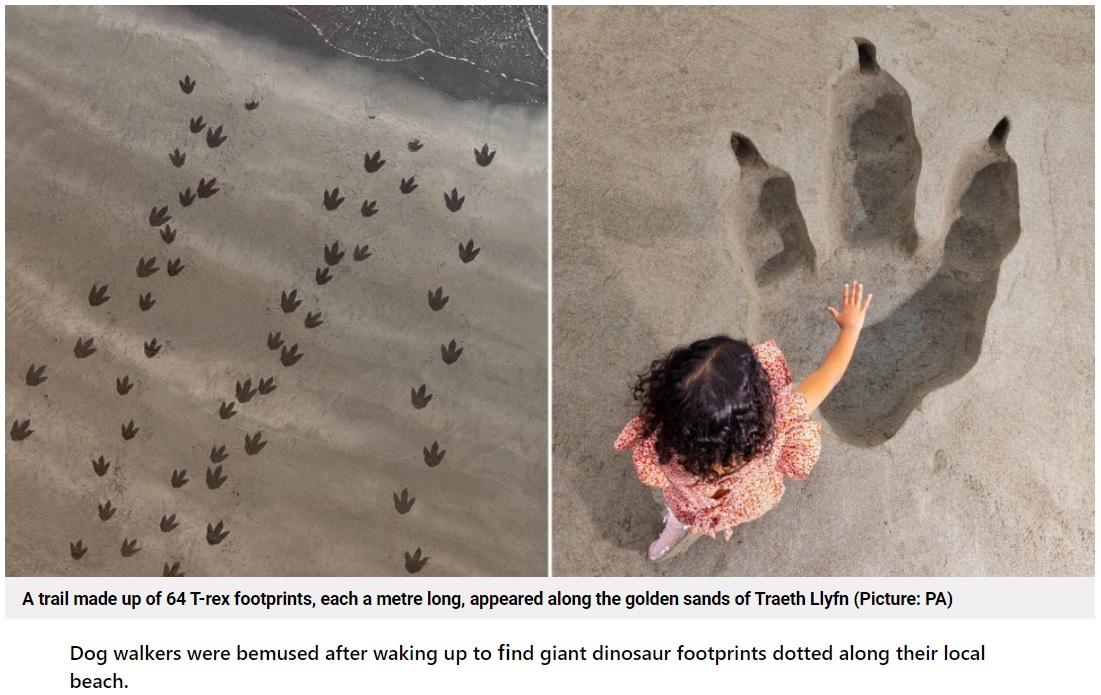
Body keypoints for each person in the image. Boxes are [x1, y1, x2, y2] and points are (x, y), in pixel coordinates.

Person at [615, 282, 872, 561]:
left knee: (682, 512)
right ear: (759, 395)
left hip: (694, 500)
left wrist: (707, 488)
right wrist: (851, 329)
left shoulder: (663, 447)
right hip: (750, 499)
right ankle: (706, 518)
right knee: (718, 501)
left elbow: (654, 476)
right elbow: (829, 374)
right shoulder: (781, 423)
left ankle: (674, 532)